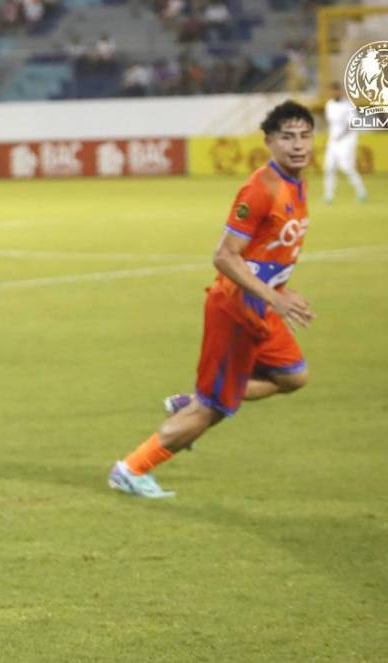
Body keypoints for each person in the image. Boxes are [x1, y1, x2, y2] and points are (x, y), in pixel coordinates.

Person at [108, 100, 317, 498]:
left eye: (304, 136)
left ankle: (194, 400)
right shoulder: (261, 189)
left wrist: (282, 288)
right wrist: (273, 295)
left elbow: (266, 251)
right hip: (237, 309)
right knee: (213, 409)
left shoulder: (297, 183)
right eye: (287, 137)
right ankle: (131, 468)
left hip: (261, 305)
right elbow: (224, 256)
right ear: (270, 142)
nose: (297, 145)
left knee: (292, 376)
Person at [323, 83, 367, 204]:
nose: (334, 93)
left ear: (340, 92)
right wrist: (334, 137)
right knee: (329, 167)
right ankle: (328, 195)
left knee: (346, 167)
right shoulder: (329, 104)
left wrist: (340, 135)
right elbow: (331, 123)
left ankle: (361, 192)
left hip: (347, 140)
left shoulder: (348, 105)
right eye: (332, 91)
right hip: (333, 140)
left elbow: (352, 124)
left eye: (336, 91)